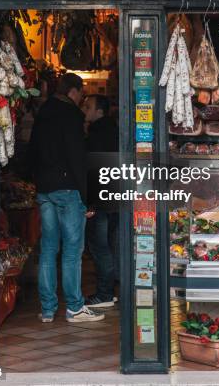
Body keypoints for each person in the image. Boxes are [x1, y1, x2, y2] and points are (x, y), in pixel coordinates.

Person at [28, 73, 105, 323]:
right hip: (68, 189)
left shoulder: (43, 112)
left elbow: (32, 151)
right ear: (73, 91)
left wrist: (37, 181)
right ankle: (74, 307)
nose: (82, 99)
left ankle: (48, 309)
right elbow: (77, 159)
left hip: (45, 190)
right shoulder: (71, 115)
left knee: (49, 249)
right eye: (81, 93)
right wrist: (88, 197)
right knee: (72, 251)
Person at [82, 94, 119, 309]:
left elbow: (91, 170)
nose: (84, 110)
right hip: (115, 197)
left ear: (99, 112)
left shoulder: (96, 134)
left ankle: (104, 293)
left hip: (100, 201)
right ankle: (111, 289)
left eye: (88, 107)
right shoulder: (115, 131)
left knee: (99, 247)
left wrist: (90, 202)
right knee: (110, 245)